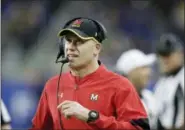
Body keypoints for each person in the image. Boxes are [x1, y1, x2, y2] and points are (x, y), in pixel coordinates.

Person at [30, 17, 150, 130]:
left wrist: (92, 117)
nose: (70, 47)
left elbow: (139, 128)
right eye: (68, 41)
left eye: (79, 42)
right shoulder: (52, 85)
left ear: (97, 48)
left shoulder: (120, 86)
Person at [116, 49, 158, 129]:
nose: (149, 73)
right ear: (131, 72)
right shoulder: (117, 102)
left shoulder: (149, 97)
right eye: (144, 68)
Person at [154, 33, 184, 130]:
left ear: (180, 54)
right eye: (161, 55)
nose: (164, 59)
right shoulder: (161, 82)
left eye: (168, 55)